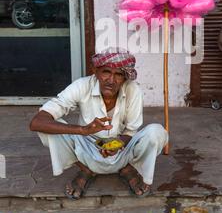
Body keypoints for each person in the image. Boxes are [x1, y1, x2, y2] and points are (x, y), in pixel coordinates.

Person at [30, 48, 168, 199]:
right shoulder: (82, 86)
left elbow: (131, 131)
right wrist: (82, 130)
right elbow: (37, 122)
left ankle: (127, 169)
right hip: (86, 145)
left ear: (125, 77)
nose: (111, 80)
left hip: (122, 148)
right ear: (95, 71)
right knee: (48, 127)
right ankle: (85, 169)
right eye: (106, 72)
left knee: (157, 132)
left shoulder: (132, 90)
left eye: (119, 75)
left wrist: (117, 144)